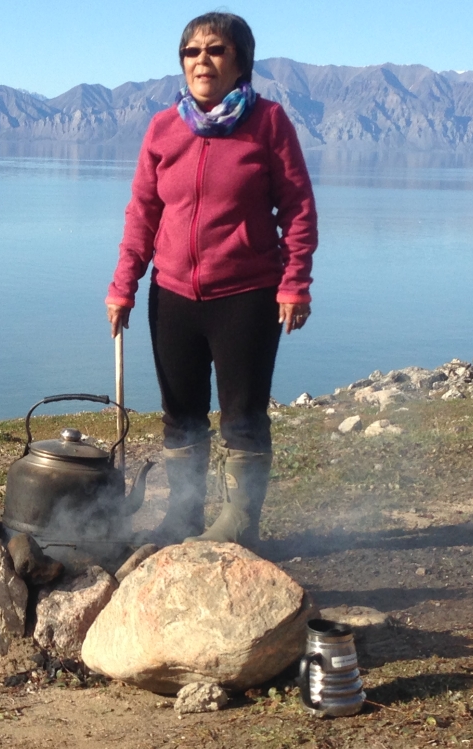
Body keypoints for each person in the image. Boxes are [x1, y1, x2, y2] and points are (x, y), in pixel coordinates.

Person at [106, 12, 317, 549]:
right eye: (192, 51)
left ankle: (241, 521)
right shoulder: (163, 128)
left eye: (216, 50)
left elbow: (297, 208)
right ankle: (183, 517)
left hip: (245, 297)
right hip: (172, 296)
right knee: (180, 415)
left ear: (240, 61)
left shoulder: (268, 123)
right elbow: (142, 213)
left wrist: (295, 282)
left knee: (243, 415)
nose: (202, 60)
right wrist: (124, 283)